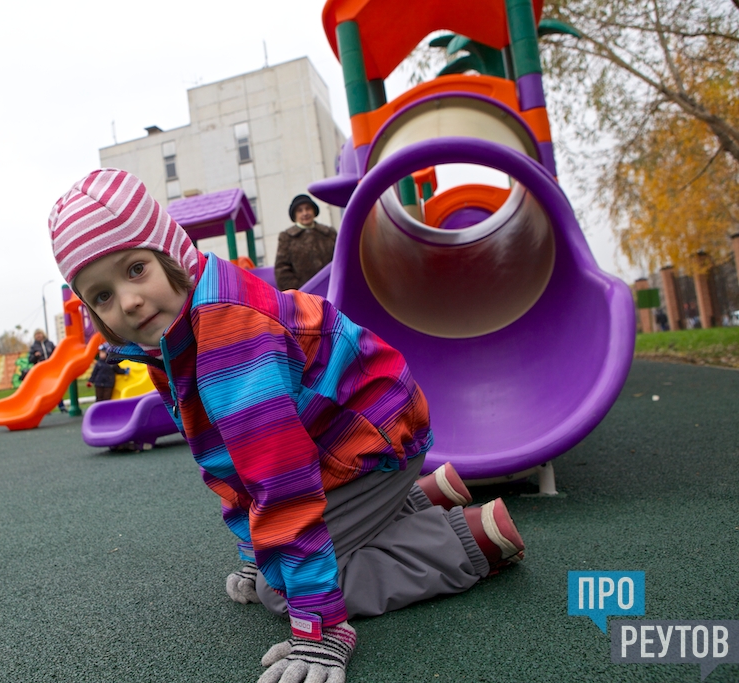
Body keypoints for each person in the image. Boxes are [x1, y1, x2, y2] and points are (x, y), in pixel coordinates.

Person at [49, 169, 526, 683]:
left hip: (371, 438)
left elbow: (281, 483)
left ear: (171, 253)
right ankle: (421, 497)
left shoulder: (231, 336)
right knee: (275, 565)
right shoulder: (173, 339)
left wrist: (318, 631)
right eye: (102, 296)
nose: (127, 301)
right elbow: (226, 461)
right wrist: (256, 553)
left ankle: (466, 539)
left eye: (136, 269)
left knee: (282, 592)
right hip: (349, 432)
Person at [274, 194, 337, 291]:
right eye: (300, 210)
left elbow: (340, 260)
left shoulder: (329, 233)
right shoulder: (287, 237)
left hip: (332, 289)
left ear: (314, 211)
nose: (305, 213)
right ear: (295, 215)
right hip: (304, 294)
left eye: (308, 208)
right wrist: (299, 291)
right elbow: (282, 269)